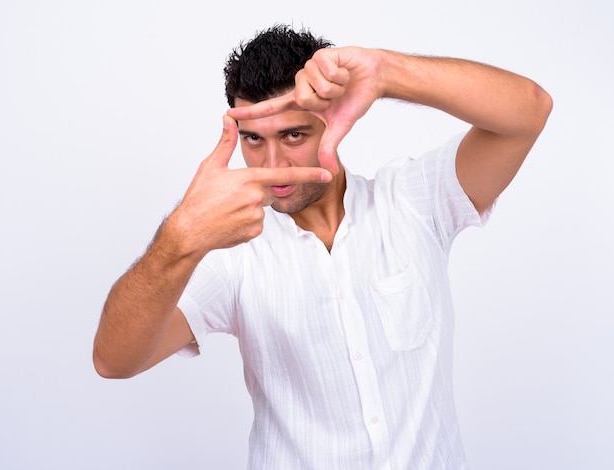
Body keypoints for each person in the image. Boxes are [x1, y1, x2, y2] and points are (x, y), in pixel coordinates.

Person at [93, 24, 552, 469]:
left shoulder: (413, 201)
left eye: (293, 135)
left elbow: (529, 111)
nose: (274, 165)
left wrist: (387, 72)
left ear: (334, 120)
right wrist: (181, 237)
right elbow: (114, 360)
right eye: (254, 139)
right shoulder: (231, 256)